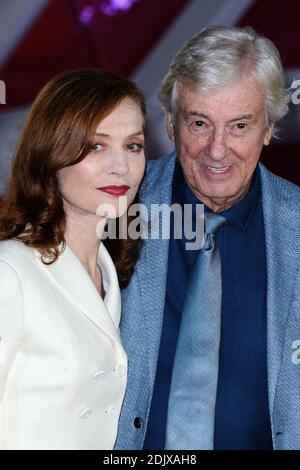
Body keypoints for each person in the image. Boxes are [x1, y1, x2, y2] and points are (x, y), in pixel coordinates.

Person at [114, 26, 300, 450]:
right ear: (171, 125)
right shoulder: (113, 214)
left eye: (239, 125)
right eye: (199, 123)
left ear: (268, 128)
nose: (217, 151)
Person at [0, 68, 146, 450]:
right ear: (51, 154)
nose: (121, 166)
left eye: (133, 145)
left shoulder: (109, 275)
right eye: (97, 146)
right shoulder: (10, 271)